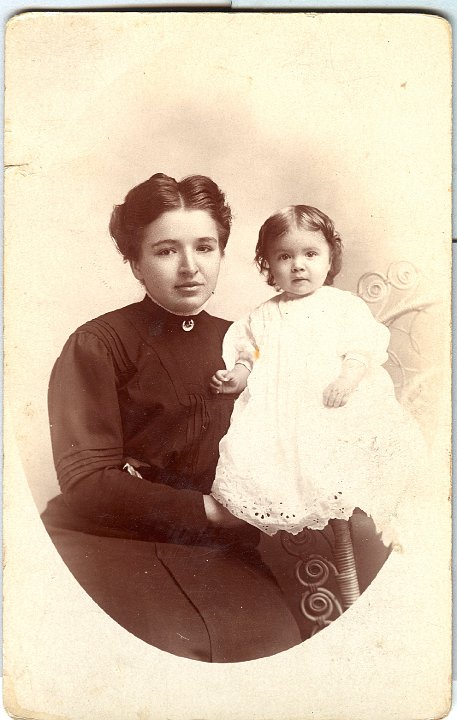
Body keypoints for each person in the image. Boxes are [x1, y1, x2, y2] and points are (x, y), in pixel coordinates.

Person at [41, 173, 302, 663]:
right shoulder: (97, 343)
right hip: (106, 545)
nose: (190, 268)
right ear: (135, 263)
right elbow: (87, 481)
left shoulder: (248, 343)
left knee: (273, 654)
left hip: (222, 556)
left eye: (205, 247)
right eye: (165, 251)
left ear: (222, 252)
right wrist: (211, 511)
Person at [210, 204, 425, 546]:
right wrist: (236, 376)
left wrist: (347, 379)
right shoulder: (262, 316)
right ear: (268, 265)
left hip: (331, 405)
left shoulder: (343, 305)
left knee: (343, 464)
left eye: (310, 253)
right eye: (283, 256)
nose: (297, 264)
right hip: (282, 415)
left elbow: (361, 348)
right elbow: (249, 356)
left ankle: (381, 526)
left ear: (329, 258)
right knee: (275, 466)